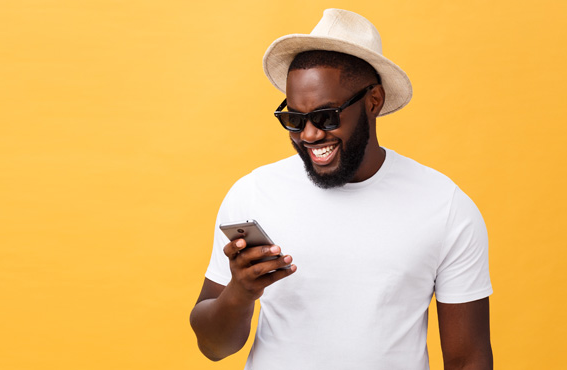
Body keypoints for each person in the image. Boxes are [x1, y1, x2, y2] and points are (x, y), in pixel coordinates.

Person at [188, 9, 494, 370]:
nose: (309, 135)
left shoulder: (444, 206)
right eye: (294, 120)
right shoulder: (254, 194)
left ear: (373, 101)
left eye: (327, 116)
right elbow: (213, 347)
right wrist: (240, 293)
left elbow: (468, 359)